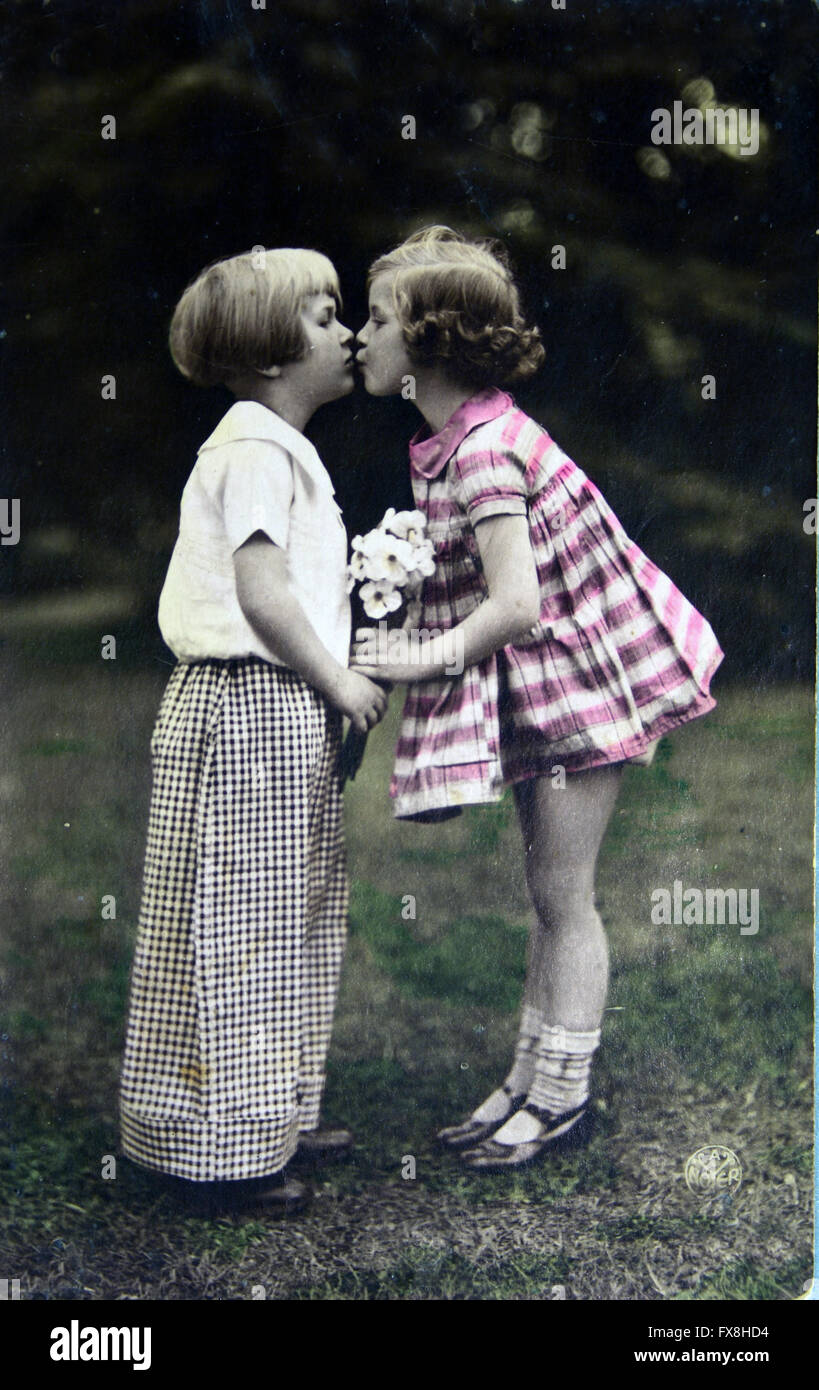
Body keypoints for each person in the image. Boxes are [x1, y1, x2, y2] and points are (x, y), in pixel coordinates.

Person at [352, 226, 723, 1171]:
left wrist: (418, 657)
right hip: (554, 696)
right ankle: (528, 1080)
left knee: (565, 898)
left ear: (427, 339)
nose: (361, 336)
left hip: (579, 698)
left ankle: (560, 1097)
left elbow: (515, 605)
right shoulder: (464, 437)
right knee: (549, 896)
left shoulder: (481, 452)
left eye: (377, 317)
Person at [119, 248, 388, 1213]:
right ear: (273, 355)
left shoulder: (282, 453)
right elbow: (264, 597)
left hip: (276, 708)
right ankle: (221, 1146)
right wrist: (339, 681)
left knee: (292, 915)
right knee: (240, 920)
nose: (348, 331)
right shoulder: (253, 453)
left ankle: (270, 1109)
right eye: (323, 317)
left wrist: (327, 698)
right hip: (242, 705)